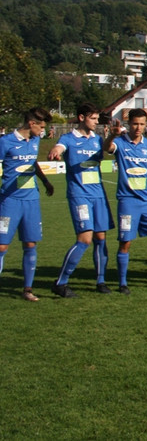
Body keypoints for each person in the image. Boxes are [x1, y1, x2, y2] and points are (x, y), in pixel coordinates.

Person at [48, 103, 114, 297]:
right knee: (84, 239)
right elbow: (59, 147)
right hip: (80, 195)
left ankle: (101, 281)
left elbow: (106, 151)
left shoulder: (97, 139)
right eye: (93, 118)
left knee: (101, 238)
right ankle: (61, 282)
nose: (96, 122)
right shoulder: (68, 138)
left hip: (98, 195)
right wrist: (55, 151)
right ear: (81, 118)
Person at [104, 108, 147, 293]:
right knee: (125, 242)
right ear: (128, 124)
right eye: (135, 124)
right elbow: (107, 148)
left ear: (146, 125)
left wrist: (146, 180)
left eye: (142, 124)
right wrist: (111, 136)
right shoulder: (120, 143)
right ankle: (123, 283)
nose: (138, 127)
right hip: (127, 201)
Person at [0, 108, 54, 301]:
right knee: (2, 247)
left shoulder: (35, 141)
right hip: (10, 201)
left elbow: (32, 163)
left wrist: (45, 181)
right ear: (31, 124)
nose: (43, 131)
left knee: (30, 244)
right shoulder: (5, 142)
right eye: (41, 127)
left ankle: (27, 290)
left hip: (31, 201)